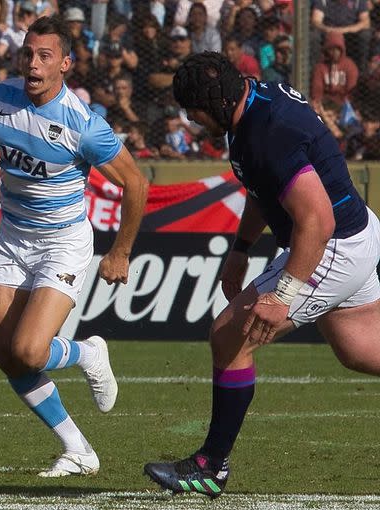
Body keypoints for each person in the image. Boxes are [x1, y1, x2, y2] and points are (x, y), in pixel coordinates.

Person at [144, 51, 380, 498]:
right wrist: (241, 249)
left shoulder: (265, 133)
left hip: (333, 243)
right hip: (355, 232)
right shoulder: (253, 103)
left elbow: (317, 220)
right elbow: (265, 187)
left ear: (214, 101)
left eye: (192, 109)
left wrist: (283, 294)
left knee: (229, 336)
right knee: (362, 350)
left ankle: (211, 465)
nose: (190, 119)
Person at [0, 15, 148, 477]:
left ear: (65, 65)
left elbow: (136, 183)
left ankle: (87, 352)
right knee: (7, 356)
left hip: (63, 242)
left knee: (31, 351)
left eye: (44, 56)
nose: (32, 63)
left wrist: (121, 251)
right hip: (13, 240)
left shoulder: (83, 124)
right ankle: (78, 449)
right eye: (27, 54)